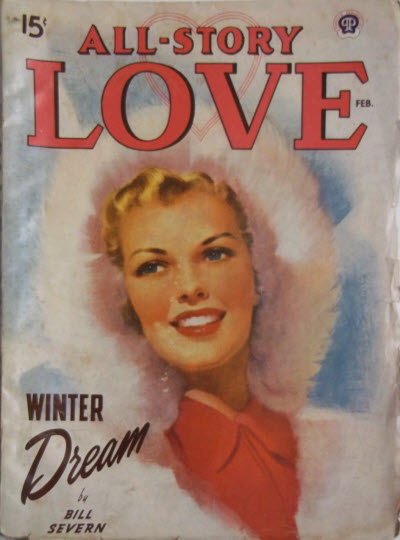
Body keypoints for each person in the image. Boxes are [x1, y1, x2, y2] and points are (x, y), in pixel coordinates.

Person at [102, 166, 300, 540]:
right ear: (128, 301)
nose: (190, 287)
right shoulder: (131, 464)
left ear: (257, 275)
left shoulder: (329, 444)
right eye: (152, 266)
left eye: (215, 254)